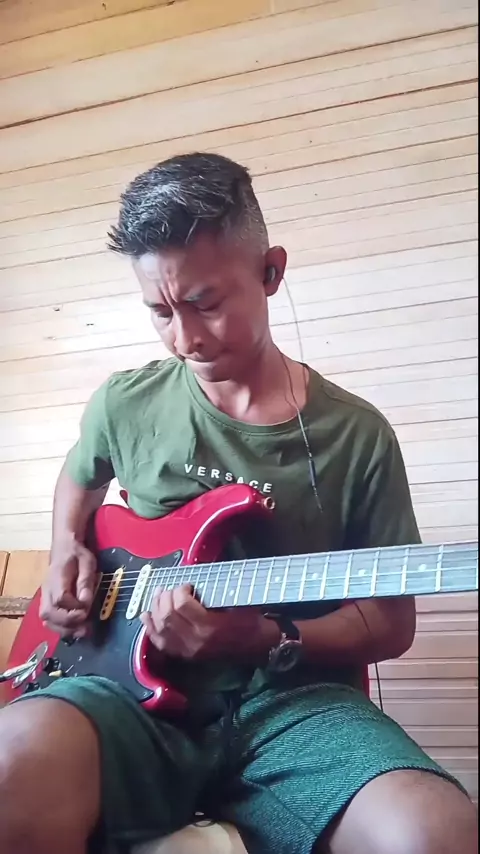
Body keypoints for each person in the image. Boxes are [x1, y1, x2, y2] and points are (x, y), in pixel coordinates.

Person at [0, 153, 476, 854]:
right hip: (117, 693)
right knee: (9, 761)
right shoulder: (125, 402)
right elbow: (80, 476)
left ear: (270, 272)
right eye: (160, 311)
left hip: (293, 705)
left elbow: (388, 623)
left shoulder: (357, 435)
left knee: (433, 833)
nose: (185, 338)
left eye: (206, 303)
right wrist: (67, 545)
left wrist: (265, 639)